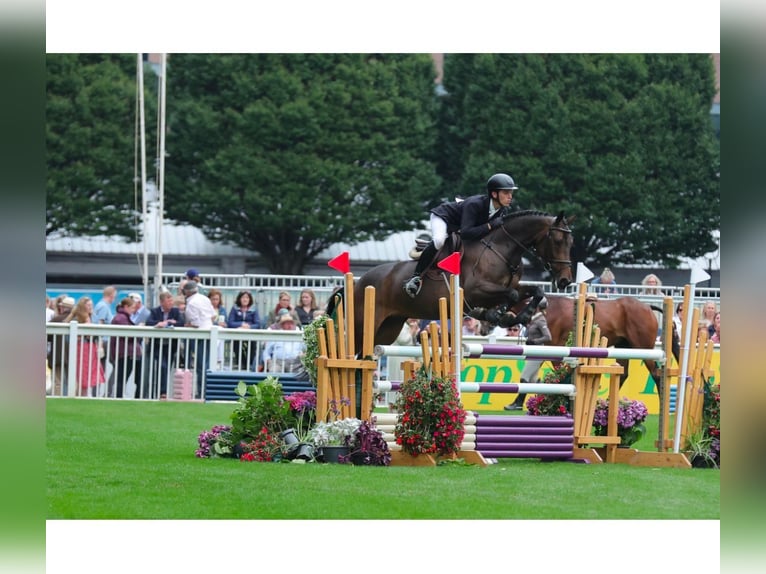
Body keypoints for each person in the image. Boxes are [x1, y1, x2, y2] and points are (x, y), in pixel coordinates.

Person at [404, 172, 519, 298]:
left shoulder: (502, 210)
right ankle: (415, 277)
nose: (510, 196)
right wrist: (489, 226)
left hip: (459, 226)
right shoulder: (475, 204)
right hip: (444, 217)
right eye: (506, 193)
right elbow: (466, 233)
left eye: (511, 193)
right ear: (494, 194)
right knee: (439, 240)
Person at [504, 299, 551, 411]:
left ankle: (518, 403)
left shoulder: (541, 320)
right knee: (533, 381)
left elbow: (548, 337)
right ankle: (550, 401)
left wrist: (535, 341)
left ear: (538, 307)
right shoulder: (535, 319)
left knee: (524, 377)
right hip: (533, 352)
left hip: (538, 352)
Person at [145, 291, 184, 399]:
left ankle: (162, 391)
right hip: (157, 345)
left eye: (171, 300)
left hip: (170, 345)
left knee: (166, 368)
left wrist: (169, 323)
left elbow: (181, 323)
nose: (171, 303)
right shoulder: (154, 311)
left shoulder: (175, 311)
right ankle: (160, 391)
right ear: (161, 302)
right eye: (168, 301)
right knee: (162, 366)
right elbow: (149, 322)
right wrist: (162, 323)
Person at [182, 280, 217, 398]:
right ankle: (208, 390)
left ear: (186, 292)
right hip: (210, 332)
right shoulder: (205, 299)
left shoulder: (191, 303)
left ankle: (202, 391)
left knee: (201, 365)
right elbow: (213, 316)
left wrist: (187, 325)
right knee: (207, 363)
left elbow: (195, 323)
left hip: (199, 334)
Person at [66, 296, 106, 397]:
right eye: (88, 305)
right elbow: (87, 334)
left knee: (87, 370)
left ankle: (83, 394)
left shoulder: (90, 316)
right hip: (83, 347)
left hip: (89, 346)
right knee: (84, 371)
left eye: (91, 305)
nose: (90, 307)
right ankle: (82, 394)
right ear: (82, 306)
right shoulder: (81, 318)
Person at [109, 297, 143, 399]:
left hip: (127, 352)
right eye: (132, 308)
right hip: (126, 353)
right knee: (122, 378)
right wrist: (139, 329)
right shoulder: (121, 318)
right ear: (126, 307)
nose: (134, 310)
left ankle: (121, 397)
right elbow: (128, 335)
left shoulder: (122, 317)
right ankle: (120, 397)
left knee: (123, 378)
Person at [48, 296, 75, 395]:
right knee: (72, 380)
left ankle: (57, 397)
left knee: (57, 381)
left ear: (62, 307)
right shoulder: (78, 319)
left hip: (58, 355)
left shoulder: (56, 319)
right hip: (74, 355)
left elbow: (48, 336)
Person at [227, 290, 261, 370]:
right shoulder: (235, 308)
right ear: (239, 299)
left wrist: (249, 327)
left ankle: (250, 364)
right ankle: (241, 363)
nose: (245, 299)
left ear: (250, 299)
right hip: (238, 334)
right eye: (243, 297)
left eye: (247, 298)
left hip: (251, 334)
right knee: (236, 344)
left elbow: (257, 324)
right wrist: (241, 324)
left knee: (252, 345)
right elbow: (230, 323)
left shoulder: (254, 309)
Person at [208, 288, 228, 368]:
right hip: (209, 330)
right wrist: (216, 323)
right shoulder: (207, 308)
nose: (215, 301)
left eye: (217, 299)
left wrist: (224, 324)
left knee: (220, 332)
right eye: (213, 299)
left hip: (220, 331)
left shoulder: (222, 309)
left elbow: (227, 321)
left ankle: (218, 359)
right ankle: (219, 359)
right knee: (218, 332)